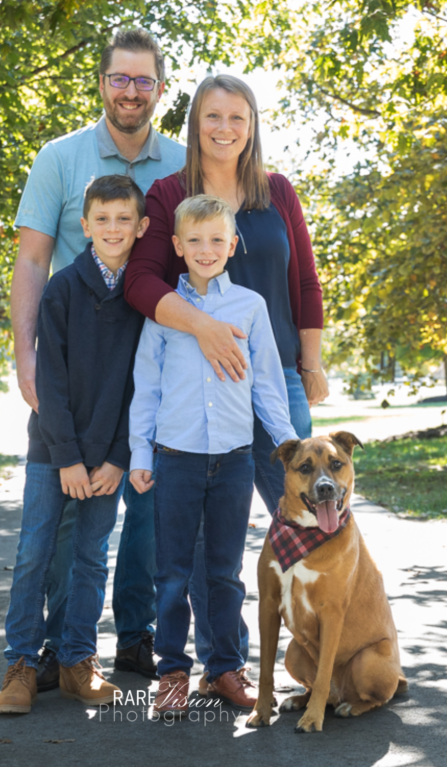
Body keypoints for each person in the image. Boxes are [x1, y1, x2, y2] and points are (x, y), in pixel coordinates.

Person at [123, 74, 328, 679]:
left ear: (253, 125)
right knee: (203, 548)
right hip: (199, 389)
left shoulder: (277, 193)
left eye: (238, 117)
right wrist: (204, 330)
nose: (225, 128)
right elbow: (140, 283)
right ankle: (221, 664)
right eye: (212, 116)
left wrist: (309, 364)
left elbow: (308, 286)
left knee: (315, 522)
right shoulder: (166, 195)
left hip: (276, 382)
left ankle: (332, 652)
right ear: (194, 125)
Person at [9, 28, 186, 687]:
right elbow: (30, 259)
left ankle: (135, 637)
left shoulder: (182, 164)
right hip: (77, 370)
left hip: (158, 368)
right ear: (103, 83)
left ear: (159, 90)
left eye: (144, 80)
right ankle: (57, 648)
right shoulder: (59, 158)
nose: (131, 91)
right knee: (62, 522)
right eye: (121, 78)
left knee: (145, 506)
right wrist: (25, 355)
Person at [128, 195, 299, 717]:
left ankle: (224, 669)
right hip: (175, 459)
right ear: (177, 246)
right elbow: (146, 389)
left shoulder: (249, 307)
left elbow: (268, 385)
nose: (206, 250)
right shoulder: (164, 313)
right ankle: (172, 674)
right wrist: (141, 452)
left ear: (232, 245)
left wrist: (291, 448)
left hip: (234, 460)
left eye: (217, 240)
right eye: (195, 241)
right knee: (174, 574)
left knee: (225, 571)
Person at [0, 175, 149, 714]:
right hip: (52, 453)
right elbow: (50, 382)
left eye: (123, 219)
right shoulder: (61, 289)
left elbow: (143, 386)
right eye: (101, 219)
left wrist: (117, 458)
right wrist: (67, 458)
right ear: (83, 226)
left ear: (142, 227)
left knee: (89, 557)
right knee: (34, 553)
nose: (112, 228)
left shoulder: (143, 298)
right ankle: (20, 664)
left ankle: (79, 660)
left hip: (109, 459)